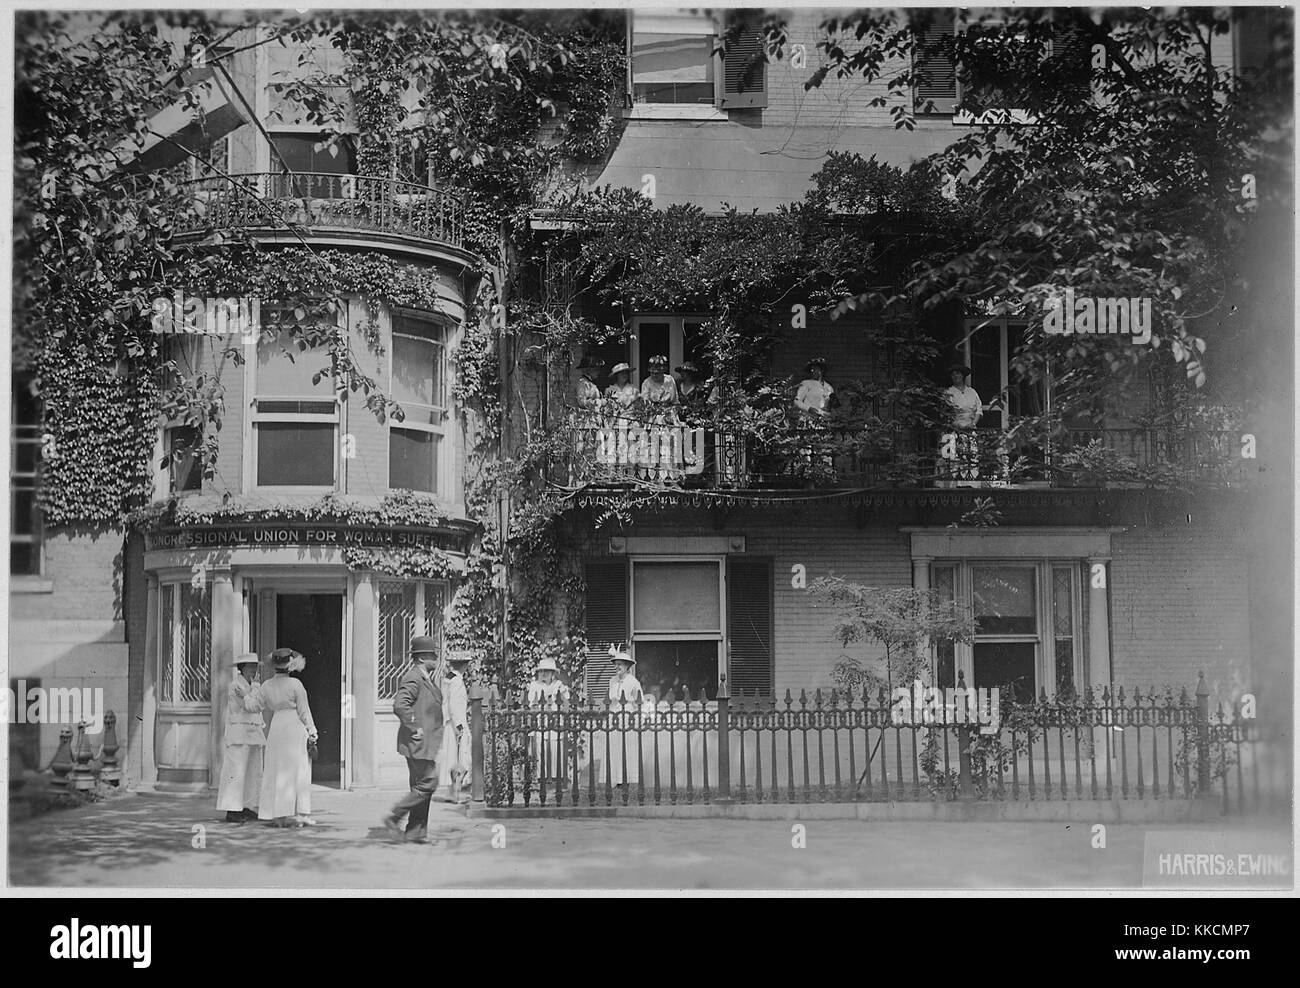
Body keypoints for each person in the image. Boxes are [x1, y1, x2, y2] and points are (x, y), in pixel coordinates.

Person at [382, 636, 445, 842]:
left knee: (420, 787)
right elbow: (400, 705)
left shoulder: (425, 677)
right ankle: (394, 816)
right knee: (428, 783)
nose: (436, 657)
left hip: (425, 744)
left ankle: (415, 832)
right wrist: (414, 726)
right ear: (421, 658)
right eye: (432, 654)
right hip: (417, 742)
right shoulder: (414, 677)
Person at [257, 649, 318, 827]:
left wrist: (248, 693)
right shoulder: (295, 684)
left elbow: (255, 705)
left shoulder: (266, 685)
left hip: (277, 727)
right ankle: (302, 814)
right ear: (290, 665)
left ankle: (278, 815)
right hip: (294, 725)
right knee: (300, 768)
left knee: (277, 768)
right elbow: (303, 710)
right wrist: (312, 730)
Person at [217, 652, 265, 824]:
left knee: (252, 772)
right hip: (238, 734)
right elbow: (252, 706)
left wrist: (256, 688)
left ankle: (247, 806)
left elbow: (258, 704)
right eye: (250, 667)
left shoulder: (251, 685)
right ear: (242, 668)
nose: (254, 670)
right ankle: (232, 809)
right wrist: (257, 688)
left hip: (253, 733)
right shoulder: (237, 685)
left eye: (255, 667)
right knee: (236, 772)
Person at [437, 650, 472, 804]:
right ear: (463, 665)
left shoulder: (447, 679)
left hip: (449, 723)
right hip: (457, 723)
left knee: (452, 757)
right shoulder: (457, 681)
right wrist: (459, 726)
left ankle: (452, 793)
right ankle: (457, 793)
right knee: (461, 757)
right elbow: (454, 705)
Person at [528, 656, 570, 782]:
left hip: (556, 720)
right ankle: (542, 777)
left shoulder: (559, 685)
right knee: (541, 749)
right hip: (541, 721)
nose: (544, 673)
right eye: (541, 671)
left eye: (547, 671)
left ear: (553, 673)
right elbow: (531, 705)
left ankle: (558, 777)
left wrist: (560, 697)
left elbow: (567, 704)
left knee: (556, 748)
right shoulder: (534, 685)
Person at [606, 647, 642, 789]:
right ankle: (616, 778)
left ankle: (627, 778)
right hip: (613, 713)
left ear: (627, 666)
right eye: (616, 664)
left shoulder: (633, 681)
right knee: (614, 745)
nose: (617, 667)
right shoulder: (612, 680)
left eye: (621, 664)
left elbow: (640, 699)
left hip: (627, 714)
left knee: (626, 745)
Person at [943, 364, 984, 483]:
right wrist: (957, 425)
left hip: (970, 429)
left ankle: (971, 481)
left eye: (958, 373)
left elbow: (979, 410)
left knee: (971, 455)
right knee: (954, 455)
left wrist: (973, 424)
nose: (955, 376)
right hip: (955, 428)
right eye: (953, 374)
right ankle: (954, 482)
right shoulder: (949, 392)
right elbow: (946, 413)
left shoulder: (972, 392)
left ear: (963, 376)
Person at [640, 354, 678, 419]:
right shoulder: (646, 383)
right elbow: (645, 402)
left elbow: (675, 400)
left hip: (669, 414)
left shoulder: (670, 380)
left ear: (663, 371)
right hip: (652, 414)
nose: (654, 375)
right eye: (652, 373)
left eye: (657, 373)